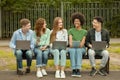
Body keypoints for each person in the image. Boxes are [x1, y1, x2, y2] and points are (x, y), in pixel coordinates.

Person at [68, 12, 87, 77]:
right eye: (75, 21)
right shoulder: (71, 30)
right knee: (73, 50)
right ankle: (73, 69)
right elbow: (70, 43)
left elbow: (82, 44)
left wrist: (77, 43)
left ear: (81, 22)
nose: (76, 22)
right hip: (72, 48)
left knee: (78, 50)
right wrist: (72, 43)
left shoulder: (84, 31)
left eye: (78, 21)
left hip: (81, 48)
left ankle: (78, 69)